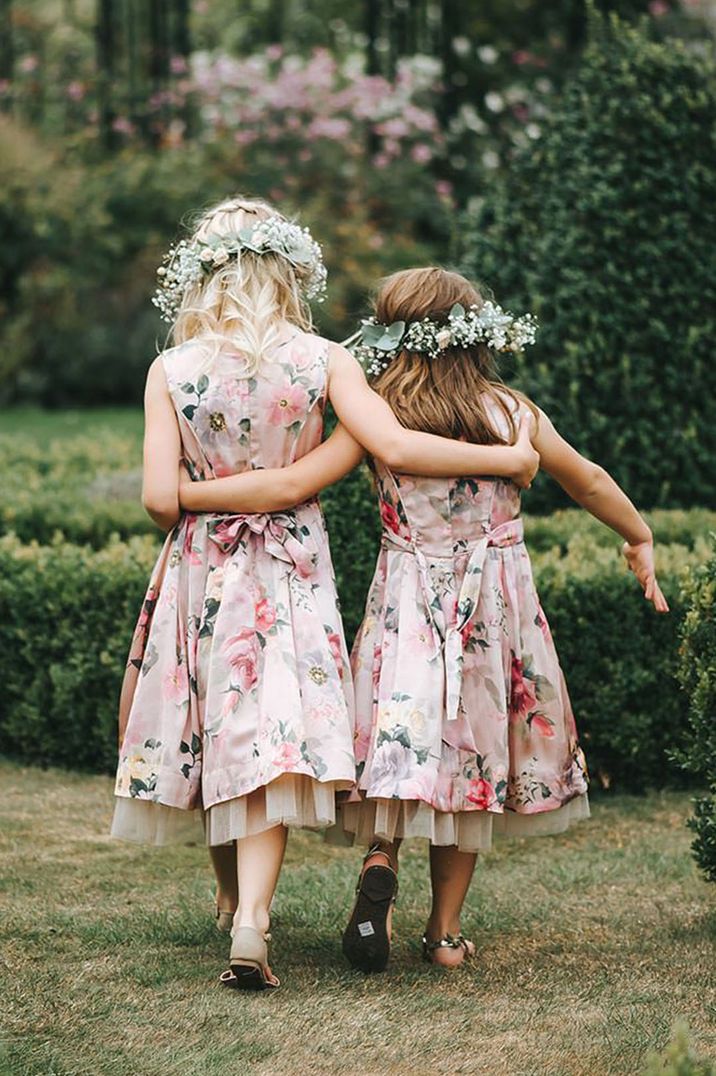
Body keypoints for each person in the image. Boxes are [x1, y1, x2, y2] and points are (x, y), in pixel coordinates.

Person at [180, 265, 668, 976]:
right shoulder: (513, 416)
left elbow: (298, 478)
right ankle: (442, 934)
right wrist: (638, 534)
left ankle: (381, 855)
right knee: (472, 751)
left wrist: (197, 492)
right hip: (492, 610)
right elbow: (585, 477)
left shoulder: (378, 416)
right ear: (475, 333)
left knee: (398, 739)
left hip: (407, 604)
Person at [111, 203, 539, 992]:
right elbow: (393, 448)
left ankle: (237, 900)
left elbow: (160, 503)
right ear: (288, 273)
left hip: (204, 566)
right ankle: (249, 919)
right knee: (270, 735)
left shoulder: (170, 372)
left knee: (214, 725)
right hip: (288, 572)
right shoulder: (323, 363)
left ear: (203, 274)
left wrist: (209, 492)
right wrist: (510, 459)